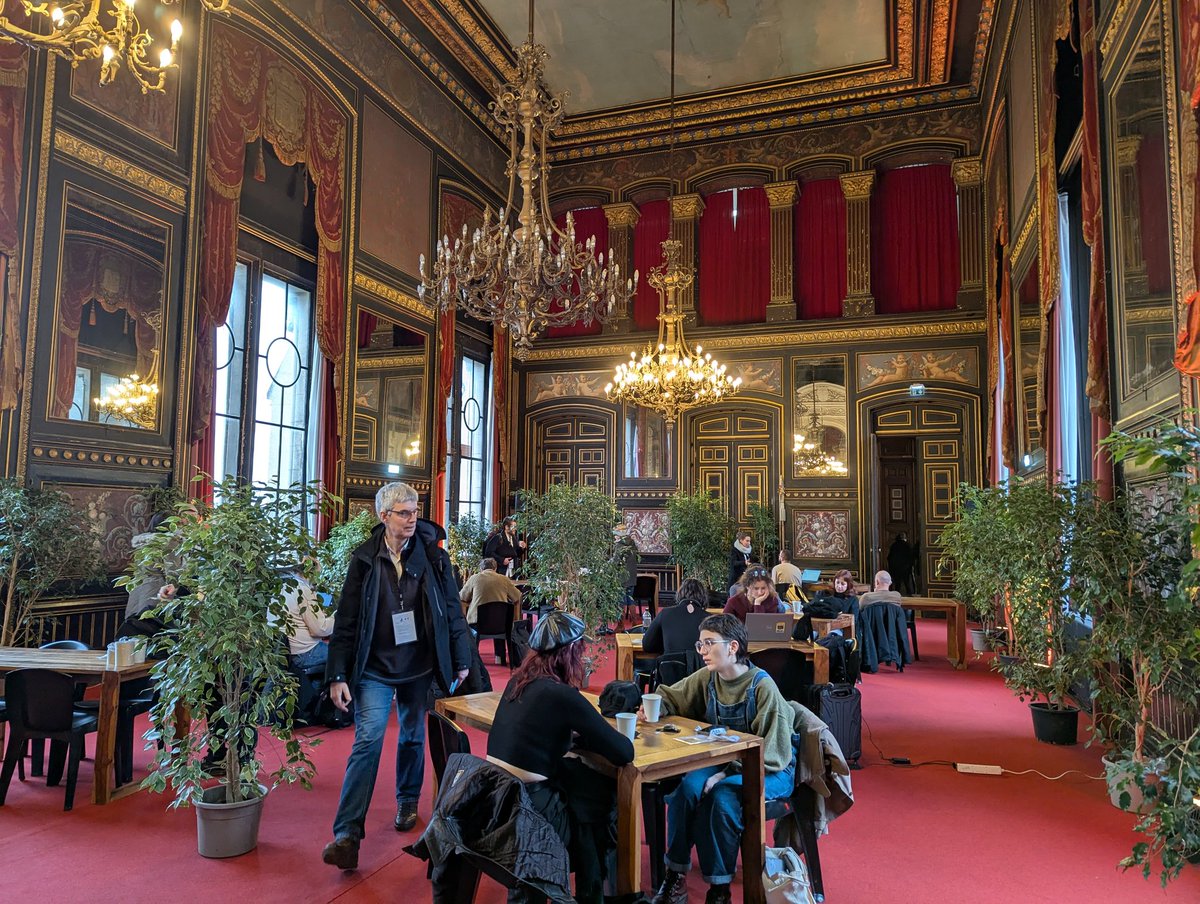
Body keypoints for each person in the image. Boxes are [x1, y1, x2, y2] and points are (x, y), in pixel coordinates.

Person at [321, 482, 472, 871]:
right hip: (374, 668)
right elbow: (347, 621)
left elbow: (452, 610)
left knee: (411, 735)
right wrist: (337, 674)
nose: (412, 518)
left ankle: (407, 800)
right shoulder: (364, 559)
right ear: (383, 516)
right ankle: (347, 834)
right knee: (367, 741)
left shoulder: (434, 558)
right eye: (404, 512)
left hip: (418, 666)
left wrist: (462, 657)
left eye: (415, 511)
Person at [487, 610, 634, 903]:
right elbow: (623, 752)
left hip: (497, 801)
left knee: (583, 790)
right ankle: (606, 889)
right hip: (534, 809)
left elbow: (539, 732)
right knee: (599, 801)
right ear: (569, 652)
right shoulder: (562, 695)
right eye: (580, 649)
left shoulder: (517, 681)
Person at [650, 614, 796, 904]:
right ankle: (675, 873)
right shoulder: (709, 678)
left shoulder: (762, 687)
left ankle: (720, 889)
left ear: (732, 647)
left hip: (768, 766)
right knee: (687, 790)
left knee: (722, 795)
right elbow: (672, 694)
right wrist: (656, 706)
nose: (701, 651)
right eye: (700, 643)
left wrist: (724, 773)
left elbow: (774, 752)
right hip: (724, 757)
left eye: (708, 644)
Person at [458, 557, 522, 664]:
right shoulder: (504, 579)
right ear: (495, 568)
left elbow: (462, 597)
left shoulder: (474, 578)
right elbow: (517, 597)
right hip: (501, 624)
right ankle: (500, 657)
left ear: (481, 569)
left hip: (477, 623)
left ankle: (474, 659)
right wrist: (515, 618)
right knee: (498, 617)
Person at [283, 569, 336, 671]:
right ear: (311, 572)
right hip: (304, 653)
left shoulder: (285, 587)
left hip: (287, 652)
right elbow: (320, 629)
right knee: (344, 656)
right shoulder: (304, 590)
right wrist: (336, 617)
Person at [642, 577, 709, 657]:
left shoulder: (665, 613)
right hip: (702, 668)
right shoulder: (710, 619)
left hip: (670, 667)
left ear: (680, 593)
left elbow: (647, 645)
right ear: (704, 597)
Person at [723, 566, 787, 622]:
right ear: (747, 586)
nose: (760, 592)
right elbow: (723, 625)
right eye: (756, 588)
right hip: (739, 635)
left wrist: (757, 603)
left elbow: (761, 627)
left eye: (763, 588)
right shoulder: (734, 602)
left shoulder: (772, 601)